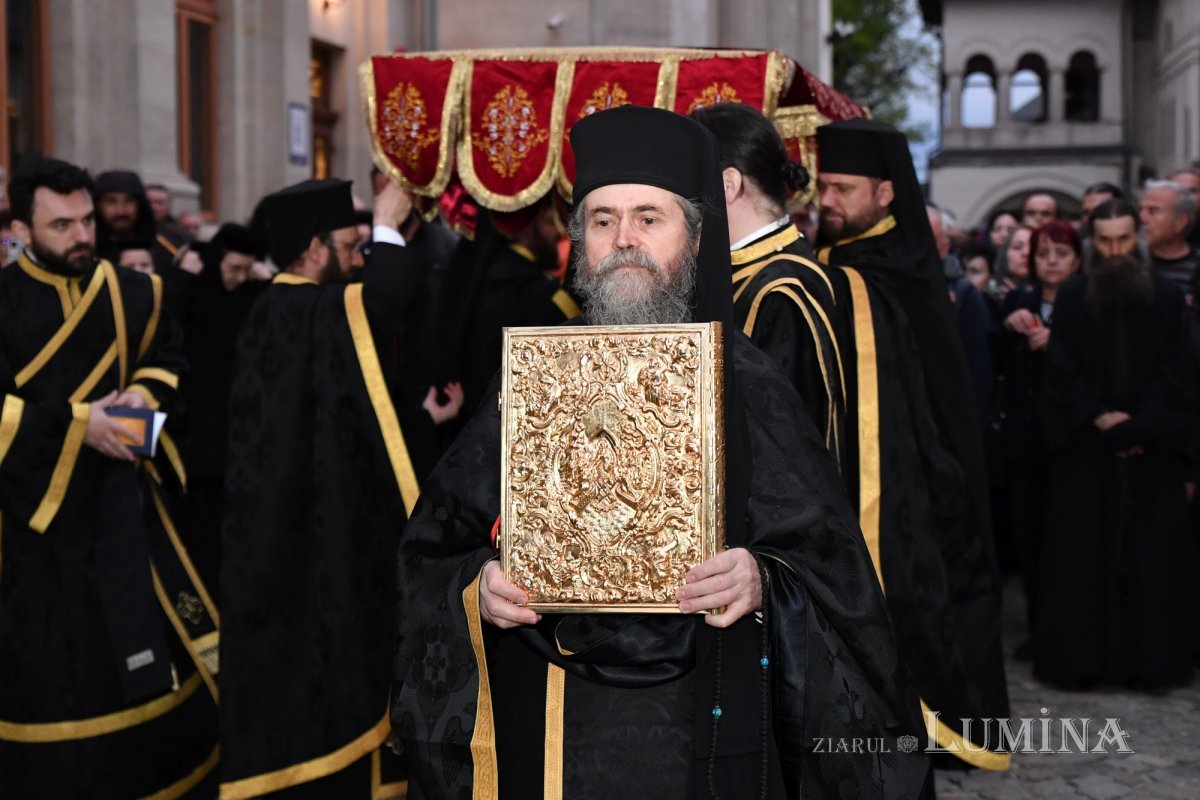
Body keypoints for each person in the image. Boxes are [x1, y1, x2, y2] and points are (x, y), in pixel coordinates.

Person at [395, 105, 930, 800]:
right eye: (602, 220)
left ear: (696, 236)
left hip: (708, 712)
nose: (624, 239)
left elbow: (835, 572)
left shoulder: (749, 382)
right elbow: (435, 546)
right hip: (548, 717)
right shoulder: (529, 377)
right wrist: (480, 587)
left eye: (649, 218)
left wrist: (762, 580)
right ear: (579, 240)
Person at [0, 156, 218, 796]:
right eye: (61, 225)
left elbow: (167, 362)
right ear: (20, 229)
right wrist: (78, 426)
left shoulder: (136, 292)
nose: (82, 236)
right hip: (32, 534)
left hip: (125, 516)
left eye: (87, 221)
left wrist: (141, 401)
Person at [814, 117, 1010, 771]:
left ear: (885, 193)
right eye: (822, 187)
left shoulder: (891, 270)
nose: (827, 201)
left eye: (842, 189)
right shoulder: (831, 263)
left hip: (916, 475)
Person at [219, 179, 424, 798]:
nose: (360, 258)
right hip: (303, 536)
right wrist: (386, 221)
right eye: (351, 246)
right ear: (313, 249)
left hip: (301, 522)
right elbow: (386, 300)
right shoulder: (298, 309)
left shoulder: (289, 308)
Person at [1036, 198, 1196, 690]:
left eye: (1124, 239)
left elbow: (1180, 372)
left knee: (1152, 562)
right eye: (1105, 241)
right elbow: (1062, 370)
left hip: (1153, 452)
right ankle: (1082, 664)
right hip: (1089, 451)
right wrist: (1102, 418)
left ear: (1137, 239)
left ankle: (1151, 665)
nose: (1115, 251)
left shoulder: (1168, 297)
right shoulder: (1073, 296)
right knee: (1085, 559)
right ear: (1093, 243)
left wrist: (1140, 426)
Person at [690, 102, 844, 459]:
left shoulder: (783, 290)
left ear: (727, 185)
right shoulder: (754, 270)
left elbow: (787, 453)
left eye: (688, 184)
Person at [995, 220, 1081, 653]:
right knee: (1028, 541)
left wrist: (1057, 343)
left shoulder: (1085, 305)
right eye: (1043, 253)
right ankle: (1037, 627)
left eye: (1061, 254)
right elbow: (998, 365)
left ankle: (1065, 632)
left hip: (1070, 446)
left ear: (1078, 260)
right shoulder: (1019, 299)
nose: (1051, 262)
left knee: (1066, 543)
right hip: (1024, 444)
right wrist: (1008, 326)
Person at [170, 223, 264, 590]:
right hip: (195, 434)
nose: (239, 277)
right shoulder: (193, 289)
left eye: (246, 269)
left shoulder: (251, 294)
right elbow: (165, 322)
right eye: (234, 268)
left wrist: (267, 282)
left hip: (237, 435)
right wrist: (182, 277)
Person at [94, 170, 185, 273]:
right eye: (111, 202)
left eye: (128, 201)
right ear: (98, 206)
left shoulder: (167, 246)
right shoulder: (88, 248)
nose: (120, 211)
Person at [1139, 180, 1200, 306]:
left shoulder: (1196, 266)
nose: (1142, 218)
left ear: (1180, 222)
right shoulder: (1133, 263)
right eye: (1141, 210)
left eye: (1153, 211)